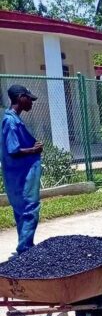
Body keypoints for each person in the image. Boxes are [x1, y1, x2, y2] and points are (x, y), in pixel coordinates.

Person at [1, 85, 43, 254]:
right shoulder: (10, 121)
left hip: (17, 174)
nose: (31, 102)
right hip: (20, 176)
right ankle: (25, 250)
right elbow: (13, 150)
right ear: (20, 98)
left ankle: (24, 249)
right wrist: (34, 150)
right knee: (30, 209)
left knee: (21, 211)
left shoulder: (12, 119)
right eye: (29, 98)